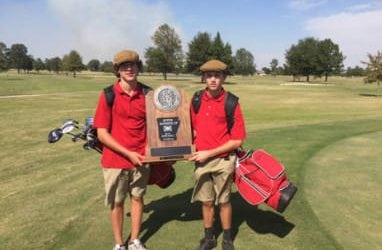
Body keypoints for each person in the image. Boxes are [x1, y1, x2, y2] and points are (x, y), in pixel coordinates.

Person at [94, 49, 149, 250]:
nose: (129, 68)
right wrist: (128, 153)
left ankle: (134, 240)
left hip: (142, 159)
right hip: (115, 161)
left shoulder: (148, 94)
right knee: (117, 203)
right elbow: (102, 133)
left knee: (137, 198)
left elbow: (159, 128)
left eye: (133, 65)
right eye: (124, 66)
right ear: (117, 70)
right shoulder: (108, 94)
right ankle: (119, 243)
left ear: (138, 68)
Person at [189, 59, 246, 250]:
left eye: (217, 75)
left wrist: (208, 153)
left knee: (224, 201)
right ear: (203, 78)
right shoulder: (196, 100)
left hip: (223, 160)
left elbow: (237, 140)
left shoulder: (231, 102)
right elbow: (189, 129)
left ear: (224, 78)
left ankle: (227, 239)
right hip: (201, 161)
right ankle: (209, 238)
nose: (213, 79)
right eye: (209, 75)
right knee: (206, 201)